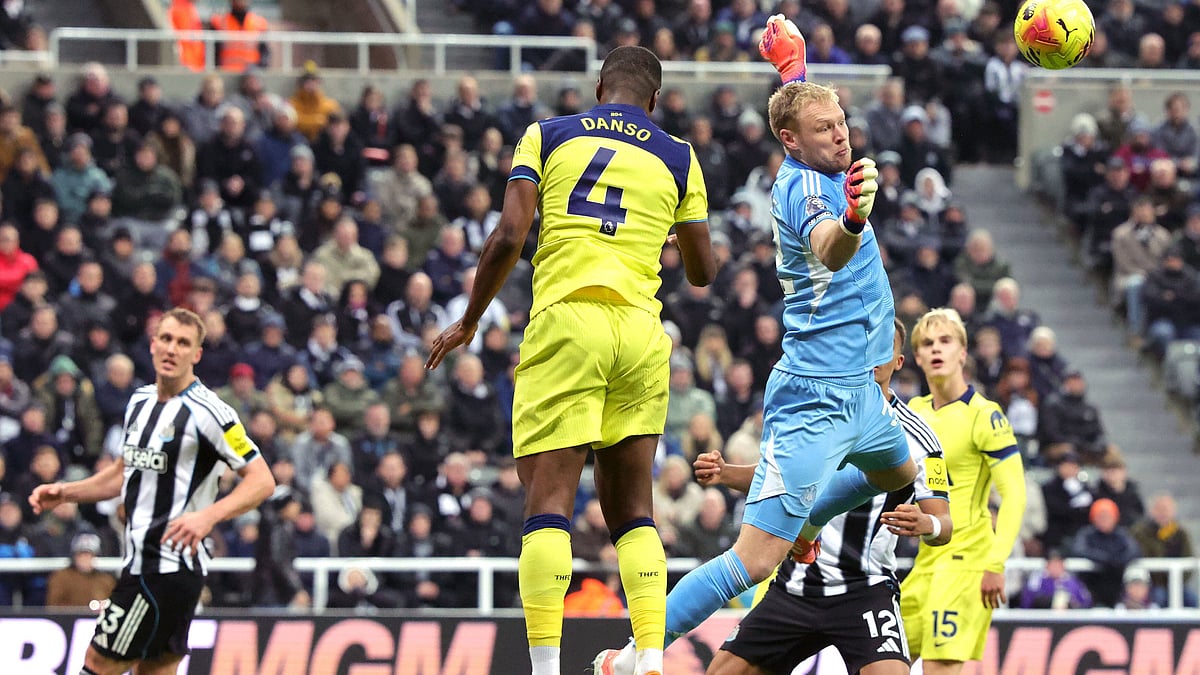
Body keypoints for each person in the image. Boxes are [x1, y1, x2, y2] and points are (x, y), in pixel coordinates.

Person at [597, 19, 918, 675]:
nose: (841, 133)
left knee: (900, 473)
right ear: (790, 141)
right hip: (815, 401)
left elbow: (805, 118)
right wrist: (855, 218)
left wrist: (793, 71)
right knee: (752, 559)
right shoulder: (802, 189)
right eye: (825, 127)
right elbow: (831, 242)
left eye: (843, 123)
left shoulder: (814, 148)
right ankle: (638, 650)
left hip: (862, 394)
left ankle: (806, 519)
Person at [426, 45, 716, 675]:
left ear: (598, 87)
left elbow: (509, 235)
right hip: (640, 331)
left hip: (567, 321)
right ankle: (649, 655)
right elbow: (702, 272)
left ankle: (546, 667)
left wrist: (471, 319)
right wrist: (666, 232)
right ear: (655, 101)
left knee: (549, 501)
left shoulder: (548, 134)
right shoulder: (677, 156)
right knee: (633, 509)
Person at [28, 307, 276, 675]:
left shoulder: (210, 412)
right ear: (153, 344)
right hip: (147, 563)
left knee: (98, 664)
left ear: (197, 354)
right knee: (155, 670)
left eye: (183, 343)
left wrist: (208, 516)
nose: (172, 349)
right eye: (166, 339)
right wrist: (65, 492)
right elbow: (121, 472)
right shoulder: (140, 402)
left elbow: (262, 480)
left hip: (165, 567)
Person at [697, 318, 952, 675]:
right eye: (867, 346)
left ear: (898, 362)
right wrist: (725, 473)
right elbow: (779, 478)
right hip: (798, 583)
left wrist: (927, 523)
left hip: (866, 589)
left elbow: (945, 525)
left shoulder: (919, 438)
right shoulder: (819, 417)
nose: (873, 357)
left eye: (885, 350)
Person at [901, 308, 1027, 675]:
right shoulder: (913, 411)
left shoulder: (984, 416)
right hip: (925, 561)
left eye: (945, 341)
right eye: (927, 343)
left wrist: (996, 563)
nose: (936, 349)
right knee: (880, 663)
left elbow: (1015, 494)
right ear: (917, 357)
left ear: (962, 353)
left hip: (967, 562)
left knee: (940, 668)